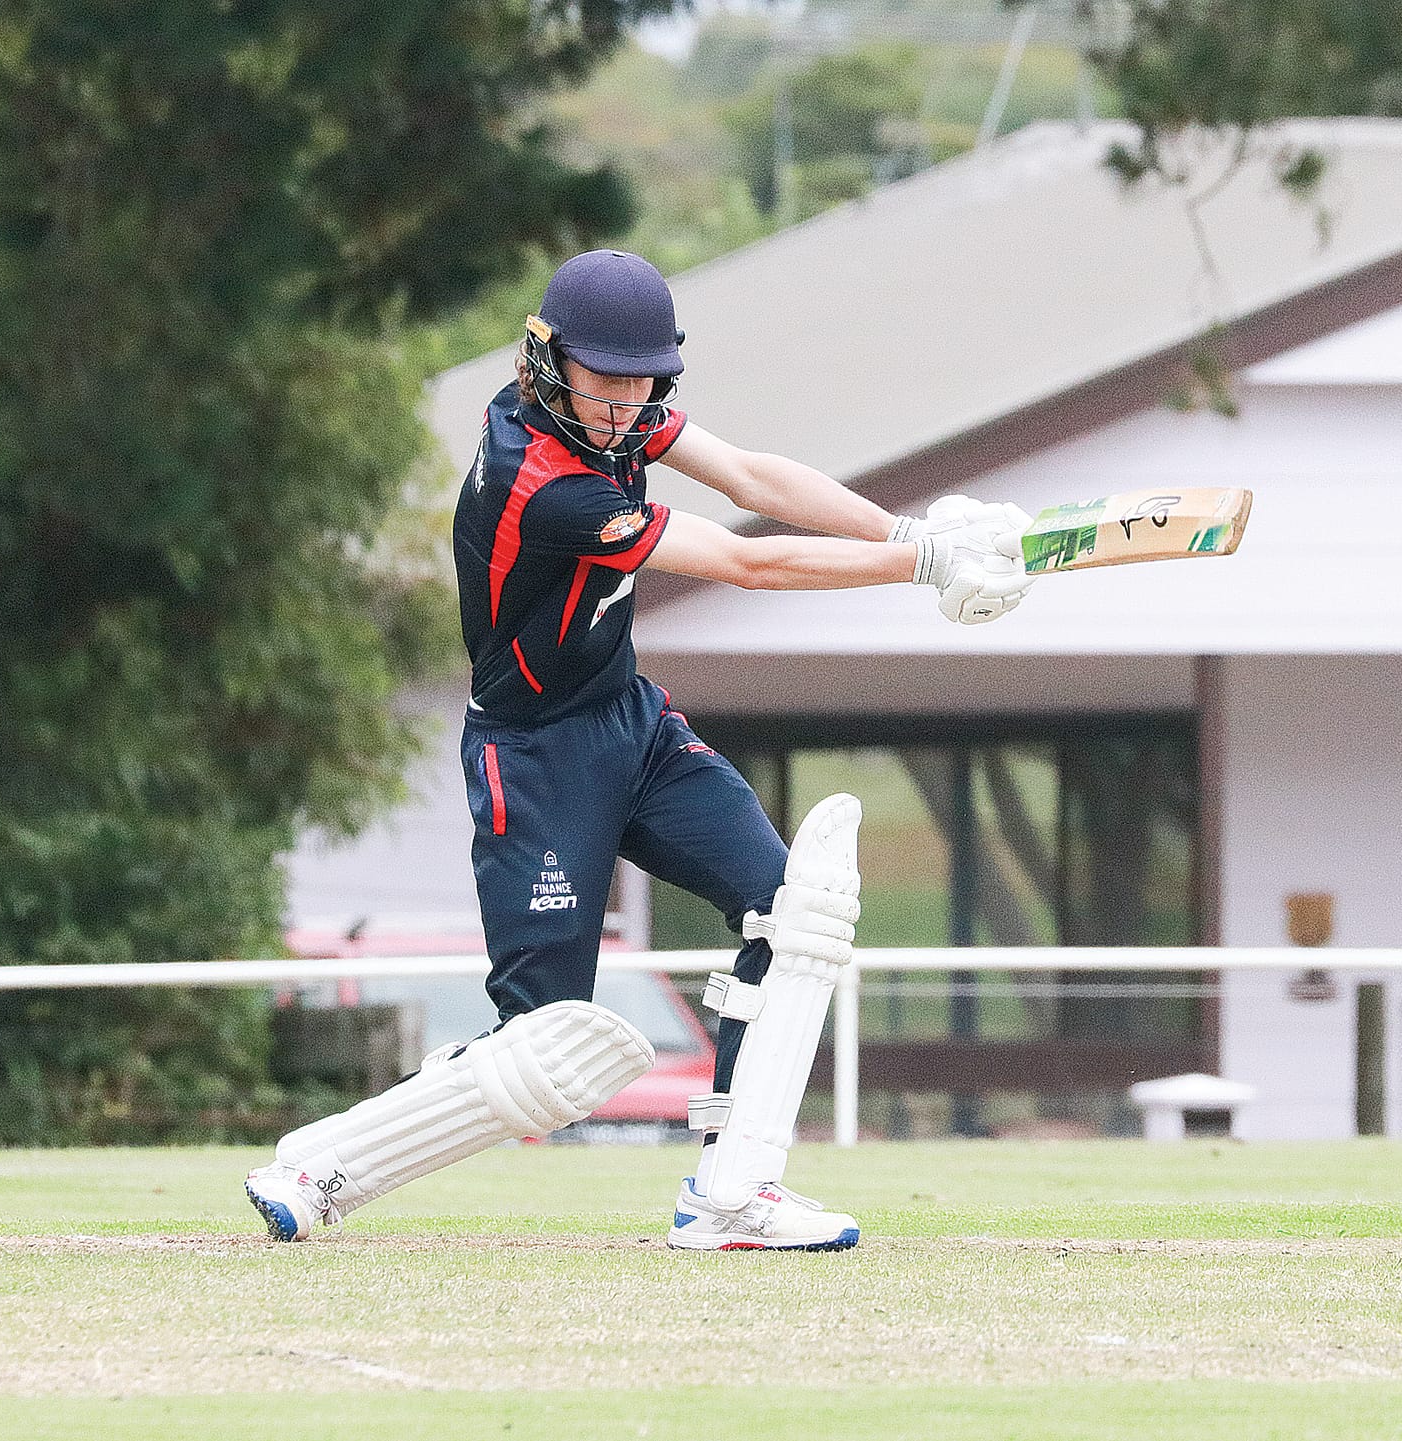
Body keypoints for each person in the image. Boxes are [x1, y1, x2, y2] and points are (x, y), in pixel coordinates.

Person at [244, 250, 1032, 1251]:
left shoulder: (608, 409)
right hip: (533, 760)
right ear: (549, 361)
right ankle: (318, 1169)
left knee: (793, 914)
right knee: (547, 1048)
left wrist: (910, 527)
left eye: (639, 384)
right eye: (604, 381)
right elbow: (744, 561)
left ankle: (734, 1192)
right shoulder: (543, 478)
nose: (623, 407)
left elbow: (750, 475)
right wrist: (919, 564)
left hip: (630, 725)